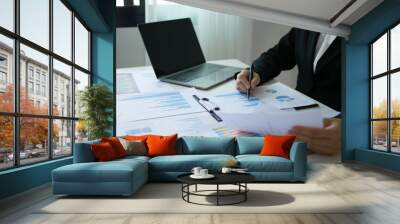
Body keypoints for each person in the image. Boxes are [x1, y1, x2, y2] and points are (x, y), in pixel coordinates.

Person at [236, 28, 342, 155]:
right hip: (295, 128)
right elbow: (279, 55)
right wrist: (256, 71)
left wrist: (354, 131)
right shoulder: (311, 16)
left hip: (335, 139)